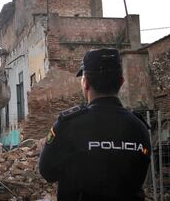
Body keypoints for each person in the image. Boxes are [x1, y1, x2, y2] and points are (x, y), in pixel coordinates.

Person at [39, 48, 151, 201]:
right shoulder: (140, 127)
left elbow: (47, 172)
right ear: (121, 82)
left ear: (85, 83)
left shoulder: (68, 125)